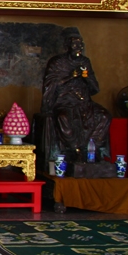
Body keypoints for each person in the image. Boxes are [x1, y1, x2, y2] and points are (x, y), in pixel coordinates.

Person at [41, 27, 111, 163]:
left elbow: (95, 88)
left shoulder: (85, 62)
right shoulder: (58, 62)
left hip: (84, 102)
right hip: (65, 101)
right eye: (74, 43)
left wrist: (86, 77)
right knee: (63, 118)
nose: (78, 47)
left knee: (104, 115)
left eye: (80, 43)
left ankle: (91, 148)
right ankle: (75, 150)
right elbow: (51, 84)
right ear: (67, 45)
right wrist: (70, 77)